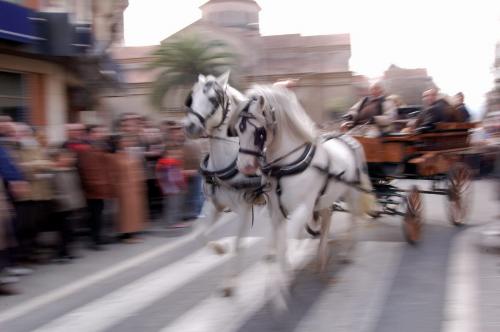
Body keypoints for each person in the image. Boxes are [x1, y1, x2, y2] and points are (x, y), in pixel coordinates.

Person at [78, 125, 115, 250]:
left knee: (99, 214)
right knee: (94, 216)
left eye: (101, 131)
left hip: (101, 187)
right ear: (91, 134)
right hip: (93, 189)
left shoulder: (102, 146)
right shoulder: (86, 149)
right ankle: (95, 240)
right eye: (98, 132)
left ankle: (99, 237)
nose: (101, 134)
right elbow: (86, 170)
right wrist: (93, 185)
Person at [48, 148, 86, 261]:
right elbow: (51, 189)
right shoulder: (53, 173)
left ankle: (68, 251)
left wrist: (79, 201)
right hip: (60, 206)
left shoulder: (71, 171)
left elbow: (76, 187)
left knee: (70, 230)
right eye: (64, 157)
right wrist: (60, 199)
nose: (68, 159)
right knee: (63, 230)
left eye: (69, 157)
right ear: (57, 159)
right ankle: (61, 253)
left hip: (72, 204)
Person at [112, 135, 147, 242]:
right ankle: (126, 235)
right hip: (124, 188)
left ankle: (133, 233)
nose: (127, 143)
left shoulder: (130, 155)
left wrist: (140, 182)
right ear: (118, 143)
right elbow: (114, 173)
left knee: (134, 211)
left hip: (133, 187)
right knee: (126, 213)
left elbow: (137, 169)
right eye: (124, 141)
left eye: (127, 141)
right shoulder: (116, 156)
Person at [156, 146, 187, 227]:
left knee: (169, 205)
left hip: (168, 188)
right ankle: (173, 222)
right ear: (167, 154)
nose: (176, 155)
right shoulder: (171, 163)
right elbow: (175, 177)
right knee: (174, 205)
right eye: (173, 153)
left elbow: (161, 177)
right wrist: (181, 184)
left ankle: (170, 221)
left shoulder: (161, 163)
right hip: (174, 188)